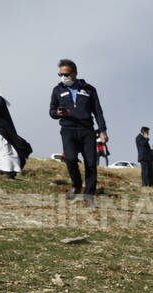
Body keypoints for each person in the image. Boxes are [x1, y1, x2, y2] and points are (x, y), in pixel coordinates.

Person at [50, 58, 108, 208]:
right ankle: (76, 184)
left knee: (90, 164)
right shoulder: (57, 90)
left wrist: (102, 130)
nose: (64, 78)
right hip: (68, 130)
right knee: (70, 159)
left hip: (87, 131)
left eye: (67, 74)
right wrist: (57, 113)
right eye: (61, 74)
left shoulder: (90, 89)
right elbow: (51, 111)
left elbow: (98, 112)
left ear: (75, 73)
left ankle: (89, 197)